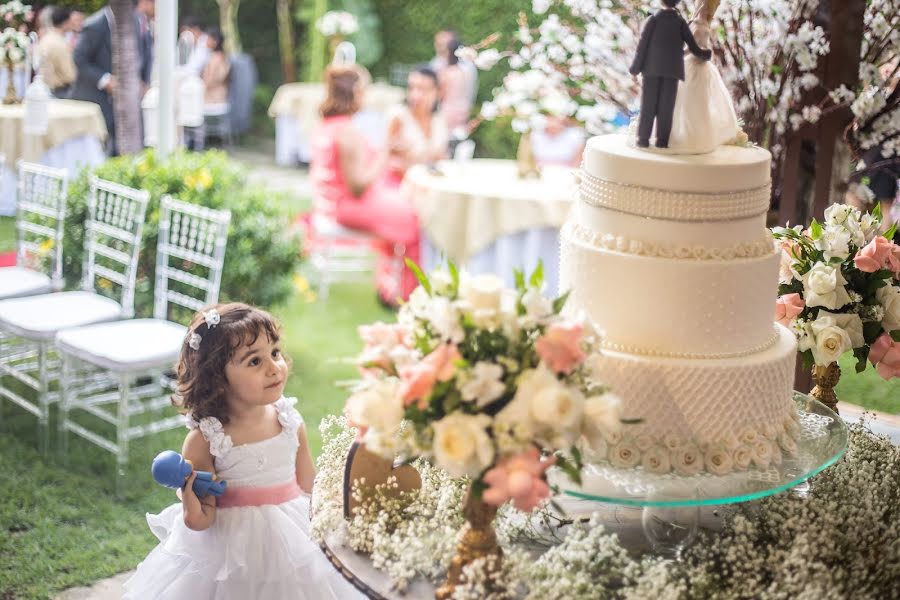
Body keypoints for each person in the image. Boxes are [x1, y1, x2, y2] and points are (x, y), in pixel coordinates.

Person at [123, 303, 364, 599]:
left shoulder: (289, 420)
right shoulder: (205, 439)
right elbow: (202, 519)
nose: (274, 367)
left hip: (292, 535)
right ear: (217, 378)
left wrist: (339, 513)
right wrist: (189, 498)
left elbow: (309, 486)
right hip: (230, 550)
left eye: (274, 353)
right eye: (254, 361)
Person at [309, 65, 421, 306]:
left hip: (332, 204)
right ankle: (408, 295)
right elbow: (358, 185)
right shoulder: (346, 131)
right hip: (348, 207)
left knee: (400, 202)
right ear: (355, 93)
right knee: (415, 218)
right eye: (365, 90)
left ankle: (390, 283)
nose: (366, 96)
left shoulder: (328, 124)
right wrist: (386, 150)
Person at [70, 1, 154, 154]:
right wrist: (105, 79)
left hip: (129, 98)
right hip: (98, 98)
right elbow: (79, 59)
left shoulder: (136, 20)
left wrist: (144, 81)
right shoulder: (94, 25)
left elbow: (145, 53)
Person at [629, 0, 712, 150]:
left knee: (648, 105)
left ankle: (643, 139)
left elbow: (642, 46)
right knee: (666, 108)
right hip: (672, 71)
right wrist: (706, 54)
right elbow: (693, 46)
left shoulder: (652, 19)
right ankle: (662, 141)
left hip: (651, 70)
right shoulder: (680, 22)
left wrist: (635, 69)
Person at [384, 66, 448, 183]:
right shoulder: (398, 117)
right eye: (411, 88)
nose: (415, 95)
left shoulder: (439, 119)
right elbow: (385, 159)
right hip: (403, 184)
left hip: (432, 182)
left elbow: (441, 158)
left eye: (423, 89)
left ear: (437, 92)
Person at [37, 6, 77, 97]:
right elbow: (69, 74)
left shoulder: (46, 38)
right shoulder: (60, 43)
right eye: (71, 21)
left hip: (46, 89)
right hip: (60, 91)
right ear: (65, 23)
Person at [437, 37, 471, 137]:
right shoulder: (463, 71)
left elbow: (441, 93)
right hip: (462, 108)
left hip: (448, 110)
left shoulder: (446, 72)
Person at [201, 27, 229, 107]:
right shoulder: (222, 56)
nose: (205, 42)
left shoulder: (215, 58)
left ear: (215, 41)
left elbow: (209, 80)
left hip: (213, 99)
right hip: (221, 97)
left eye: (207, 39)